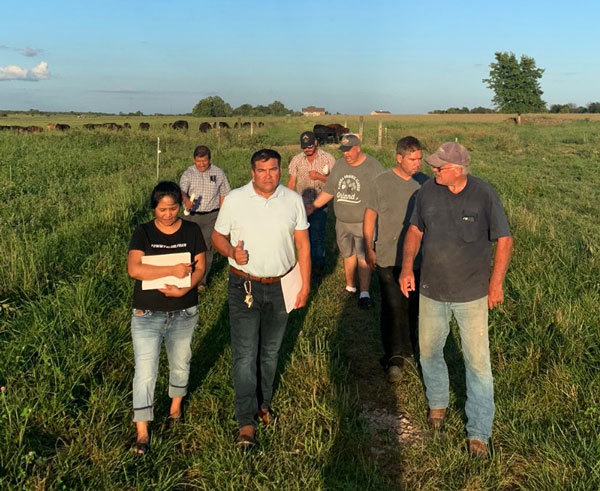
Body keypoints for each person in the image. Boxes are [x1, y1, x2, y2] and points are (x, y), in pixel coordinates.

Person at [399, 142, 513, 458]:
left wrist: (496, 284)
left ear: (458, 169)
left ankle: (478, 433)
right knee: (429, 352)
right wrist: (408, 267)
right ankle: (438, 404)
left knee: (477, 365)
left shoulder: (484, 194)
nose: (432, 170)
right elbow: (415, 232)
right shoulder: (426, 194)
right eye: (433, 165)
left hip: (472, 294)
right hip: (431, 290)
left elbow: (504, 239)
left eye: (439, 167)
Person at [212, 148, 311, 448]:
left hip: (281, 286)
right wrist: (231, 252)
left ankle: (262, 404)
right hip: (244, 287)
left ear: (281, 170)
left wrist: (305, 286)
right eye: (261, 170)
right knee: (244, 355)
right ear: (252, 172)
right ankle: (245, 422)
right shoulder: (236, 200)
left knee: (270, 352)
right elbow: (218, 236)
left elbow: (303, 246)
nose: (268, 175)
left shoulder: (293, 200)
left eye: (273, 169)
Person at [127, 181, 207, 455]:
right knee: (145, 372)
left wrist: (186, 286)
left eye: (173, 208)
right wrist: (170, 270)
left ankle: (175, 409)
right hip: (147, 313)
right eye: (162, 209)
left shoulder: (192, 230)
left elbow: (200, 267)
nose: (168, 214)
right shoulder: (143, 233)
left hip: (184, 311)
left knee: (181, 363)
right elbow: (135, 269)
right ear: (154, 209)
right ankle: (142, 430)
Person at [363, 136, 428, 382]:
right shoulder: (380, 182)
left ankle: (410, 349)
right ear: (398, 158)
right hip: (388, 256)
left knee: (412, 306)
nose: (417, 164)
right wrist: (368, 246)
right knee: (392, 306)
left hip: (418, 258)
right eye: (412, 159)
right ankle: (393, 357)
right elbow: (370, 214)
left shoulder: (425, 183)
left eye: (420, 159)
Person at [308, 134, 384, 309]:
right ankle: (350, 287)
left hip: (363, 222)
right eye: (343, 151)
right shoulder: (340, 165)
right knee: (347, 254)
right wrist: (312, 207)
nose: (346, 154)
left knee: (363, 256)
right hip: (342, 221)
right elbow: (330, 189)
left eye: (349, 150)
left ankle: (364, 293)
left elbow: (383, 193)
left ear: (358, 148)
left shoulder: (373, 166)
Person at [286, 131, 335, 282]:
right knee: (301, 239)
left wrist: (319, 177)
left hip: (320, 205)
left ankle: (318, 269)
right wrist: (287, 203)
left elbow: (335, 182)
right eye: (304, 147)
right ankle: (303, 268)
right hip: (301, 206)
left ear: (315, 143)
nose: (306, 149)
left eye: (309, 146)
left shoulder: (328, 159)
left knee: (317, 238)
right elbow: (291, 183)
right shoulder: (296, 160)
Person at [180, 145, 230, 288]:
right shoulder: (188, 174)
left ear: (209, 159)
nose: (201, 164)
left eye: (204, 161)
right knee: (188, 247)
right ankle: (185, 277)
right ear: (194, 160)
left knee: (207, 248)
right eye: (198, 161)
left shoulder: (218, 173)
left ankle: (201, 281)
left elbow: (224, 193)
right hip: (191, 217)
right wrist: (186, 200)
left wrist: (223, 214)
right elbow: (182, 191)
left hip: (211, 216)